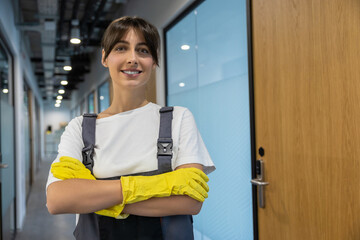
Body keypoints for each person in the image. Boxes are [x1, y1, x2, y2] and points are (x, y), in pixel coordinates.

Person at [46, 16, 215, 239]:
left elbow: (191, 201)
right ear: (105, 58)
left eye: (143, 50)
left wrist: (99, 199)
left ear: (154, 61)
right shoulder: (80, 128)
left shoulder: (178, 119)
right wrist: (157, 187)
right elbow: (58, 199)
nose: (132, 59)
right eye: (121, 48)